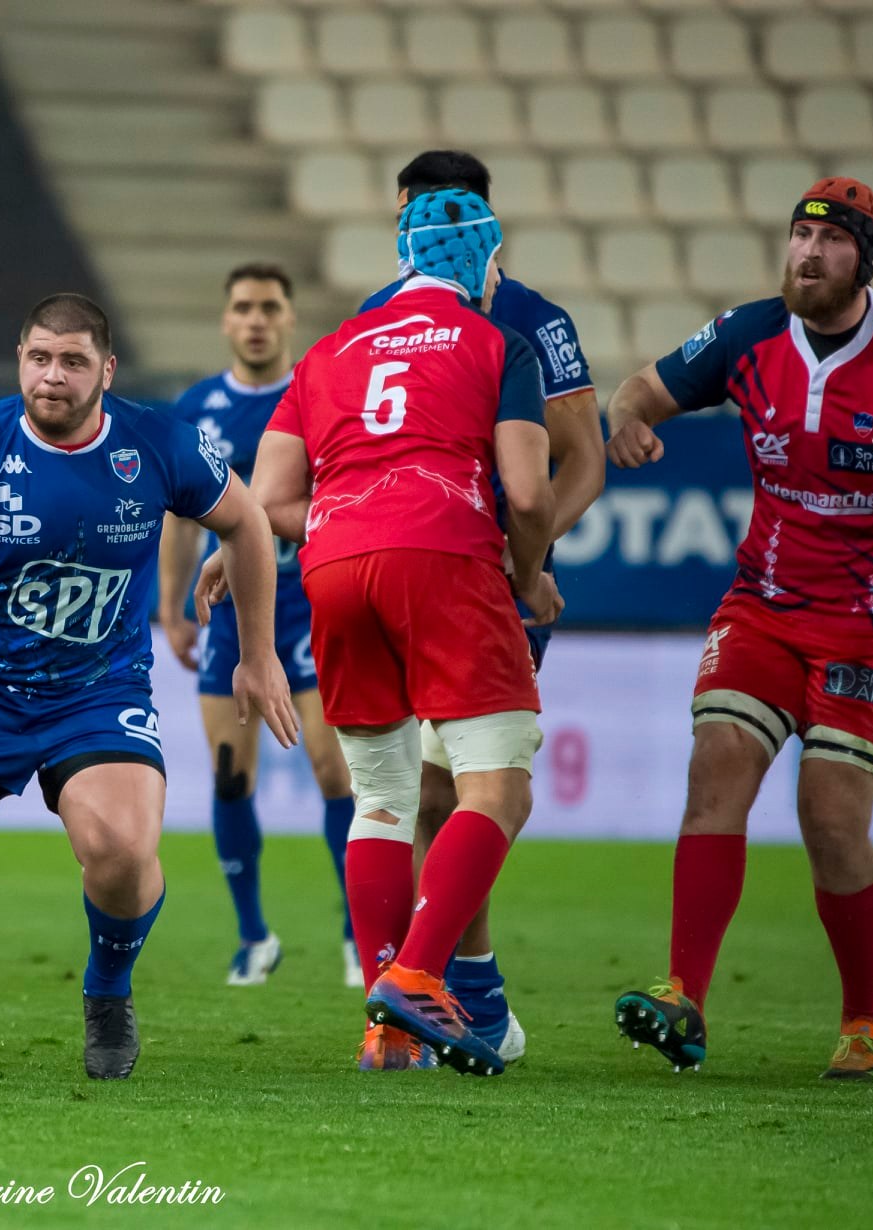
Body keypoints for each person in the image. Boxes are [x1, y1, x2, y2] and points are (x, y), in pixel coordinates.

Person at [0, 292, 296, 1083]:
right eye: (38, 358)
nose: (52, 376)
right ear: (18, 359)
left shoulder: (159, 441)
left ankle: (108, 991)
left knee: (125, 851)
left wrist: (257, 654)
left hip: (97, 690)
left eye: (71, 361)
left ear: (107, 368)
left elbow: (248, 523)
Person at [607, 178, 873, 1080]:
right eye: (801, 238)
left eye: (832, 243)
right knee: (715, 768)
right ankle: (683, 997)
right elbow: (640, 389)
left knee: (829, 817)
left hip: (871, 623)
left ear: (864, 260)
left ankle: (867, 1024)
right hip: (762, 605)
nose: (808, 254)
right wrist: (626, 421)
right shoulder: (747, 333)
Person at [219, 189, 558, 1074]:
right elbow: (526, 492)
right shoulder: (497, 343)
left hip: (332, 567)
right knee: (496, 792)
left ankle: (390, 1034)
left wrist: (346, 523)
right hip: (444, 558)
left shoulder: (329, 351)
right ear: (482, 262)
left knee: (380, 801)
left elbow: (272, 500)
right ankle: (413, 974)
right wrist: (528, 578)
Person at [358, 150, 606, 1063]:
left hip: (497, 583)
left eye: (448, 213)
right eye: (415, 213)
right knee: (429, 793)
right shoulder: (376, 316)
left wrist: (522, 557)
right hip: (413, 576)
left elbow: (584, 459)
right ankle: (461, 992)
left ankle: (460, 991)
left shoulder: (535, 321)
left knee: (468, 787)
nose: (429, 230)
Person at [157, 263, 359, 988]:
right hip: (228, 614)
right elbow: (179, 517)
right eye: (243, 306)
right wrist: (173, 606)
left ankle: (355, 932)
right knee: (229, 773)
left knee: (335, 768)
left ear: (289, 318)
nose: (256, 320)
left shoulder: (320, 392)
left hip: (313, 601)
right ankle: (253, 936)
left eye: (270, 307)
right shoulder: (197, 408)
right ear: (225, 320)